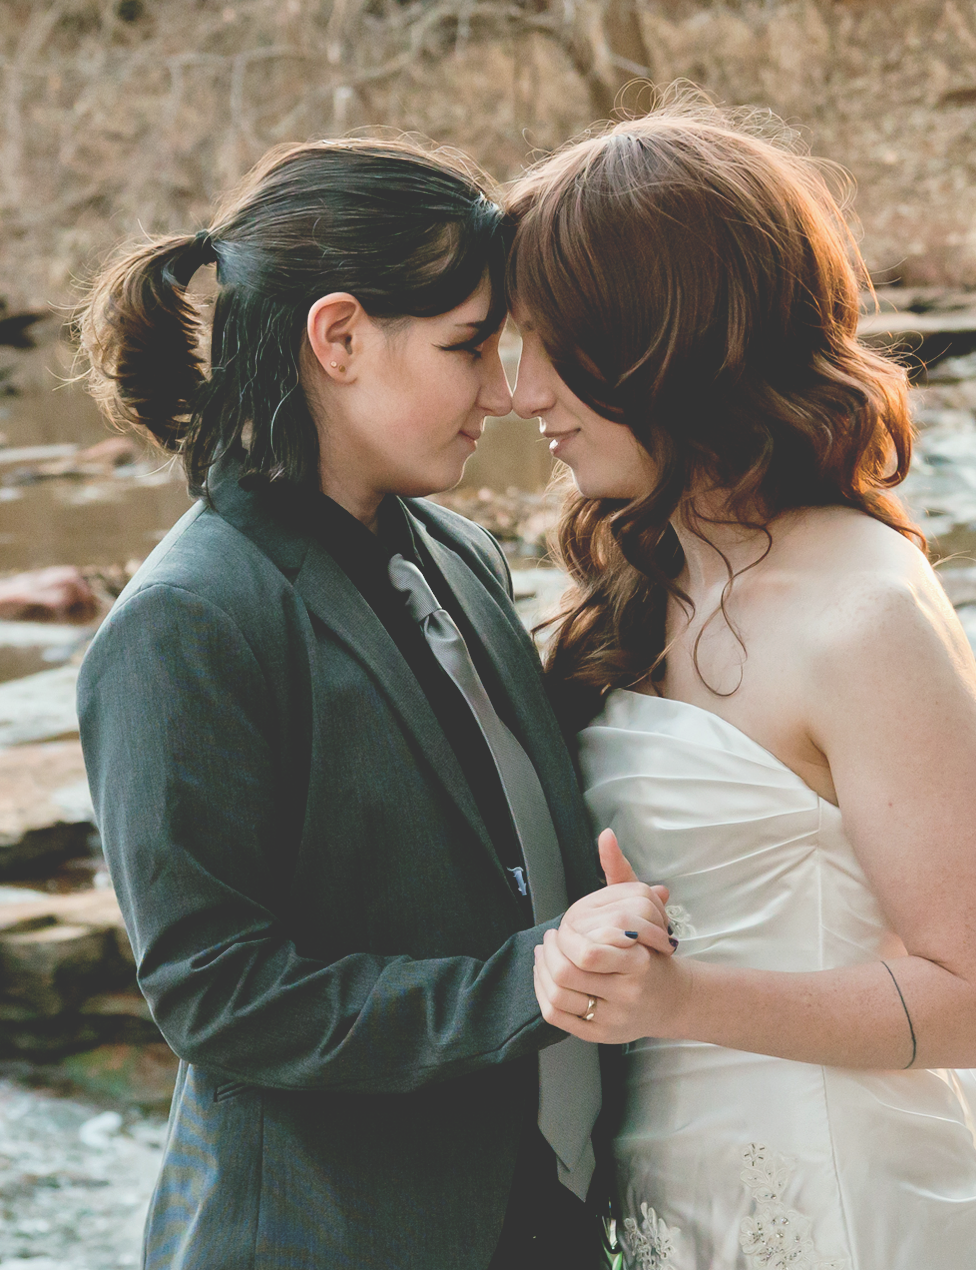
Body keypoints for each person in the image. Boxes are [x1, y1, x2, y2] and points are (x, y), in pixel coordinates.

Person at [73, 138, 671, 1269]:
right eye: (467, 347)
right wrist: (529, 981)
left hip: (544, 1212)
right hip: (332, 1234)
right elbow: (219, 993)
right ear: (338, 336)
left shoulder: (455, 544)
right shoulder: (184, 621)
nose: (502, 391)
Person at [504, 103, 976, 1269]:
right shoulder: (640, 565)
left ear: (665, 335)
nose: (521, 389)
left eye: (553, 342)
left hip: (841, 1190)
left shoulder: (862, 612)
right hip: (657, 1182)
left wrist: (678, 1000)